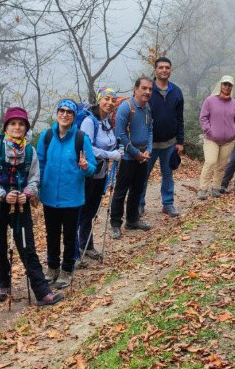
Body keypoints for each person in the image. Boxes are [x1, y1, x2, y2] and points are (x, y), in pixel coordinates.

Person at [0, 106, 64, 306]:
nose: (17, 127)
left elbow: (34, 178)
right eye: (13, 123)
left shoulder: (29, 151)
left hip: (21, 206)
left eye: (21, 124)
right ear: (6, 126)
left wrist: (27, 194)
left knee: (27, 247)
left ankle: (41, 291)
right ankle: (1, 284)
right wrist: (3, 196)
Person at [37, 100, 97, 289]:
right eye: (61, 111)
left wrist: (86, 167)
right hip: (49, 197)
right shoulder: (46, 137)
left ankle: (67, 270)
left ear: (73, 116)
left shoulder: (81, 138)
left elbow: (93, 168)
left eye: (69, 112)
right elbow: (39, 164)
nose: (65, 114)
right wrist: (37, 188)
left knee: (70, 236)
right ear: (57, 114)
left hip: (72, 198)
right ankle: (52, 268)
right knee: (52, 235)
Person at [77, 88, 123, 259]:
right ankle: (74, 251)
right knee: (81, 211)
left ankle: (86, 245)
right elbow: (86, 148)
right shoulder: (89, 122)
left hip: (100, 174)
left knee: (91, 211)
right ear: (98, 100)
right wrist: (111, 154)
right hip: (87, 173)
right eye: (106, 99)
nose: (110, 103)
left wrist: (117, 149)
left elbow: (108, 144)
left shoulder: (106, 122)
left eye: (113, 100)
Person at [109, 77, 154, 238]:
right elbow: (120, 134)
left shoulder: (147, 107)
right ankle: (115, 223)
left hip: (143, 156)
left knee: (137, 189)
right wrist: (136, 153)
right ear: (135, 89)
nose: (147, 92)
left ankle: (132, 219)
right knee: (121, 191)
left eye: (150, 89)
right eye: (144, 88)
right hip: (128, 156)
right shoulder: (126, 107)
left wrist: (148, 150)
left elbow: (150, 130)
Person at [140, 57, 184, 218]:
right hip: (148, 144)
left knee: (168, 175)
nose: (164, 70)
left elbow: (180, 118)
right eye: (161, 67)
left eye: (167, 67)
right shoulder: (148, 90)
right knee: (143, 176)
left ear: (170, 70)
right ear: (155, 70)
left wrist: (180, 141)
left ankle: (168, 204)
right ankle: (139, 204)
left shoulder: (176, 92)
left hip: (169, 143)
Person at [198, 75, 235, 199]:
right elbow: (203, 117)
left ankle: (216, 188)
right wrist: (209, 130)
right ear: (220, 85)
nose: (227, 87)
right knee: (210, 162)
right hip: (212, 139)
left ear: (232, 87)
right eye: (225, 84)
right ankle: (202, 189)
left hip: (228, 140)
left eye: (229, 85)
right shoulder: (210, 100)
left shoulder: (234, 103)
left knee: (221, 165)